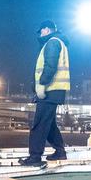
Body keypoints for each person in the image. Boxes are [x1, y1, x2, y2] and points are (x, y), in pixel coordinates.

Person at [20, 19, 69, 166]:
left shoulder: (52, 42)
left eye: (41, 31)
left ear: (46, 29)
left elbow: (50, 66)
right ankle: (60, 151)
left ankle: (35, 156)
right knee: (49, 124)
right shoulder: (58, 42)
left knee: (40, 124)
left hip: (49, 91)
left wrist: (41, 84)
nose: (40, 34)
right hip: (54, 91)